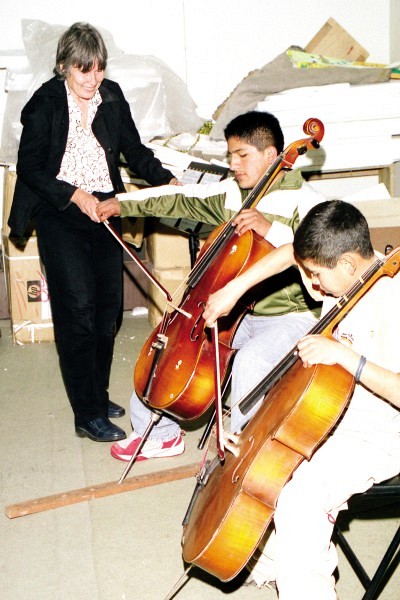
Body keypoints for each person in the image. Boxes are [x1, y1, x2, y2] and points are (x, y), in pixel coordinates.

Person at [96, 110, 326, 461]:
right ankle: (157, 434)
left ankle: (244, 452)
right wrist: (122, 204)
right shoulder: (232, 193)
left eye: (242, 155)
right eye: (230, 156)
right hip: (238, 309)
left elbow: (320, 254)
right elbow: (180, 198)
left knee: (250, 361)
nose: (234, 165)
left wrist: (270, 230)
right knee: (173, 341)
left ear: (272, 154)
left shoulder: (306, 200)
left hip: (291, 315)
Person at [203, 199, 400, 599]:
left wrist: (349, 359)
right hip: (330, 414)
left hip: (382, 432)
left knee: (299, 494)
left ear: (347, 263)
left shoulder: (391, 301)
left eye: (316, 275)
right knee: (258, 455)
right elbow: (290, 251)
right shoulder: (347, 273)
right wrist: (232, 289)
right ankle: (289, 563)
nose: (311, 286)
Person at [8, 22, 179, 443]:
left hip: (104, 208)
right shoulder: (44, 103)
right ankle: (86, 412)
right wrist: (74, 194)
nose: (93, 79)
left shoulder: (112, 97)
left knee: (107, 313)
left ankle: (97, 396)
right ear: (64, 66)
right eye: (84, 70)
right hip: (60, 211)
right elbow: (30, 169)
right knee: (77, 311)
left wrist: (168, 180)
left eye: (99, 68)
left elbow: (134, 151)